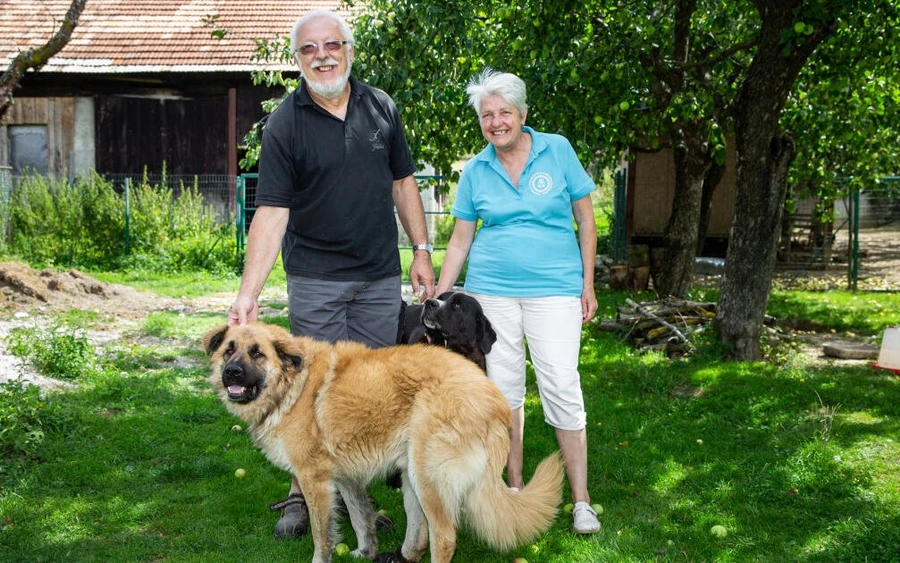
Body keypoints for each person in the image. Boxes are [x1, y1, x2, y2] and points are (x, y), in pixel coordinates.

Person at [228, 9, 435, 539]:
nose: (322, 55)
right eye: (308, 49)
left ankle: (360, 502)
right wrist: (248, 294)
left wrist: (421, 248)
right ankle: (303, 495)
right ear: (297, 60)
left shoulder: (381, 107)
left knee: (366, 396)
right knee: (303, 392)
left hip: (378, 276)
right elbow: (271, 212)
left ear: (348, 48)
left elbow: (404, 183)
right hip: (317, 278)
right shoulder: (284, 122)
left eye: (331, 44)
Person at [434, 68, 600, 534]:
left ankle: (582, 501)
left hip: (555, 289)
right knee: (503, 392)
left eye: (504, 112)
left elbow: (586, 222)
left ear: (522, 114)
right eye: (487, 115)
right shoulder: (475, 170)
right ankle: (514, 488)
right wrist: (444, 291)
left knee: (561, 385)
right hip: (492, 292)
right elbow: (461, 239)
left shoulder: (557, 149)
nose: (496, 122)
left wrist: (588, 283)